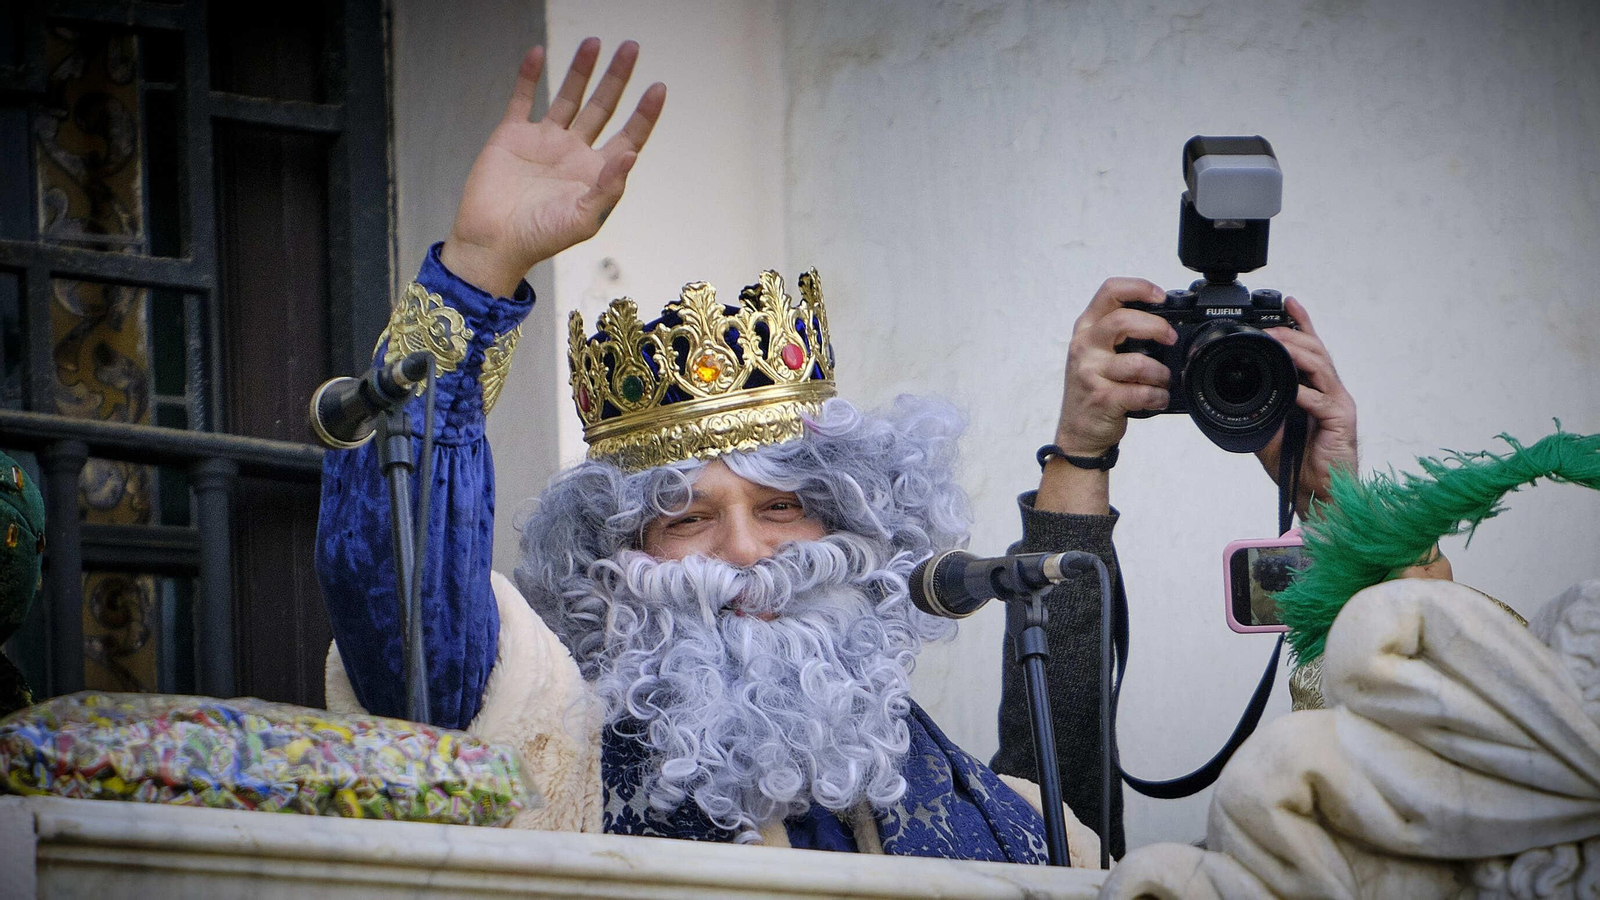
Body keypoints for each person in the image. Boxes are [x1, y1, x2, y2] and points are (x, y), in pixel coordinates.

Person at [315, 39, 1357, 865]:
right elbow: (396, 596)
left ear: (855, 533)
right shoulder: (555, 751)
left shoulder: (961, 798)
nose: (746, 552)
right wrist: (478, 271)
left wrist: (1321, 515)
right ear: (607, 572)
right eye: (684, 516)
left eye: (782, 509)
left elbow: (1075, 819)